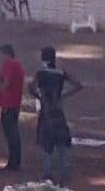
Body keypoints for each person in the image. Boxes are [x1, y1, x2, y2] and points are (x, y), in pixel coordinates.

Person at [27, 46, 82, 186]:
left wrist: (39, 97)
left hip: (46, 112)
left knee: (46, 143)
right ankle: (64, 173)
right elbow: (78, 85)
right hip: (58, 110)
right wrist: (63, 96)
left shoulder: (40, 73)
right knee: (62, 142)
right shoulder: (61, 73)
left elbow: (31, 87)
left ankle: (47, 173)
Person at [0, 44, 25, 171]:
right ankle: (14, 161)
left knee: (11, 134)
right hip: (14, 103)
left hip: (9, 104)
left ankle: (14, 163)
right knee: (13, 134)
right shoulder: (16, 65)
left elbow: (5, 84)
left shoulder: (9, 65)